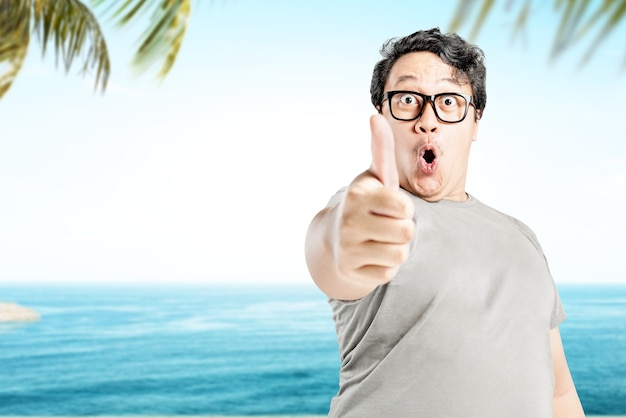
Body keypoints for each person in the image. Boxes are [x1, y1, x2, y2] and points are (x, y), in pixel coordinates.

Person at [304, 28, 585, 418]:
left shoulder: (523, 238)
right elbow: (333, 248)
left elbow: (560, 393)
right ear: (383, 117)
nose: (427, 120)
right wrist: (343, 238)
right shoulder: (376, 213)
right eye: (406, 99)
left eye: (449, 101)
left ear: (475, 122)